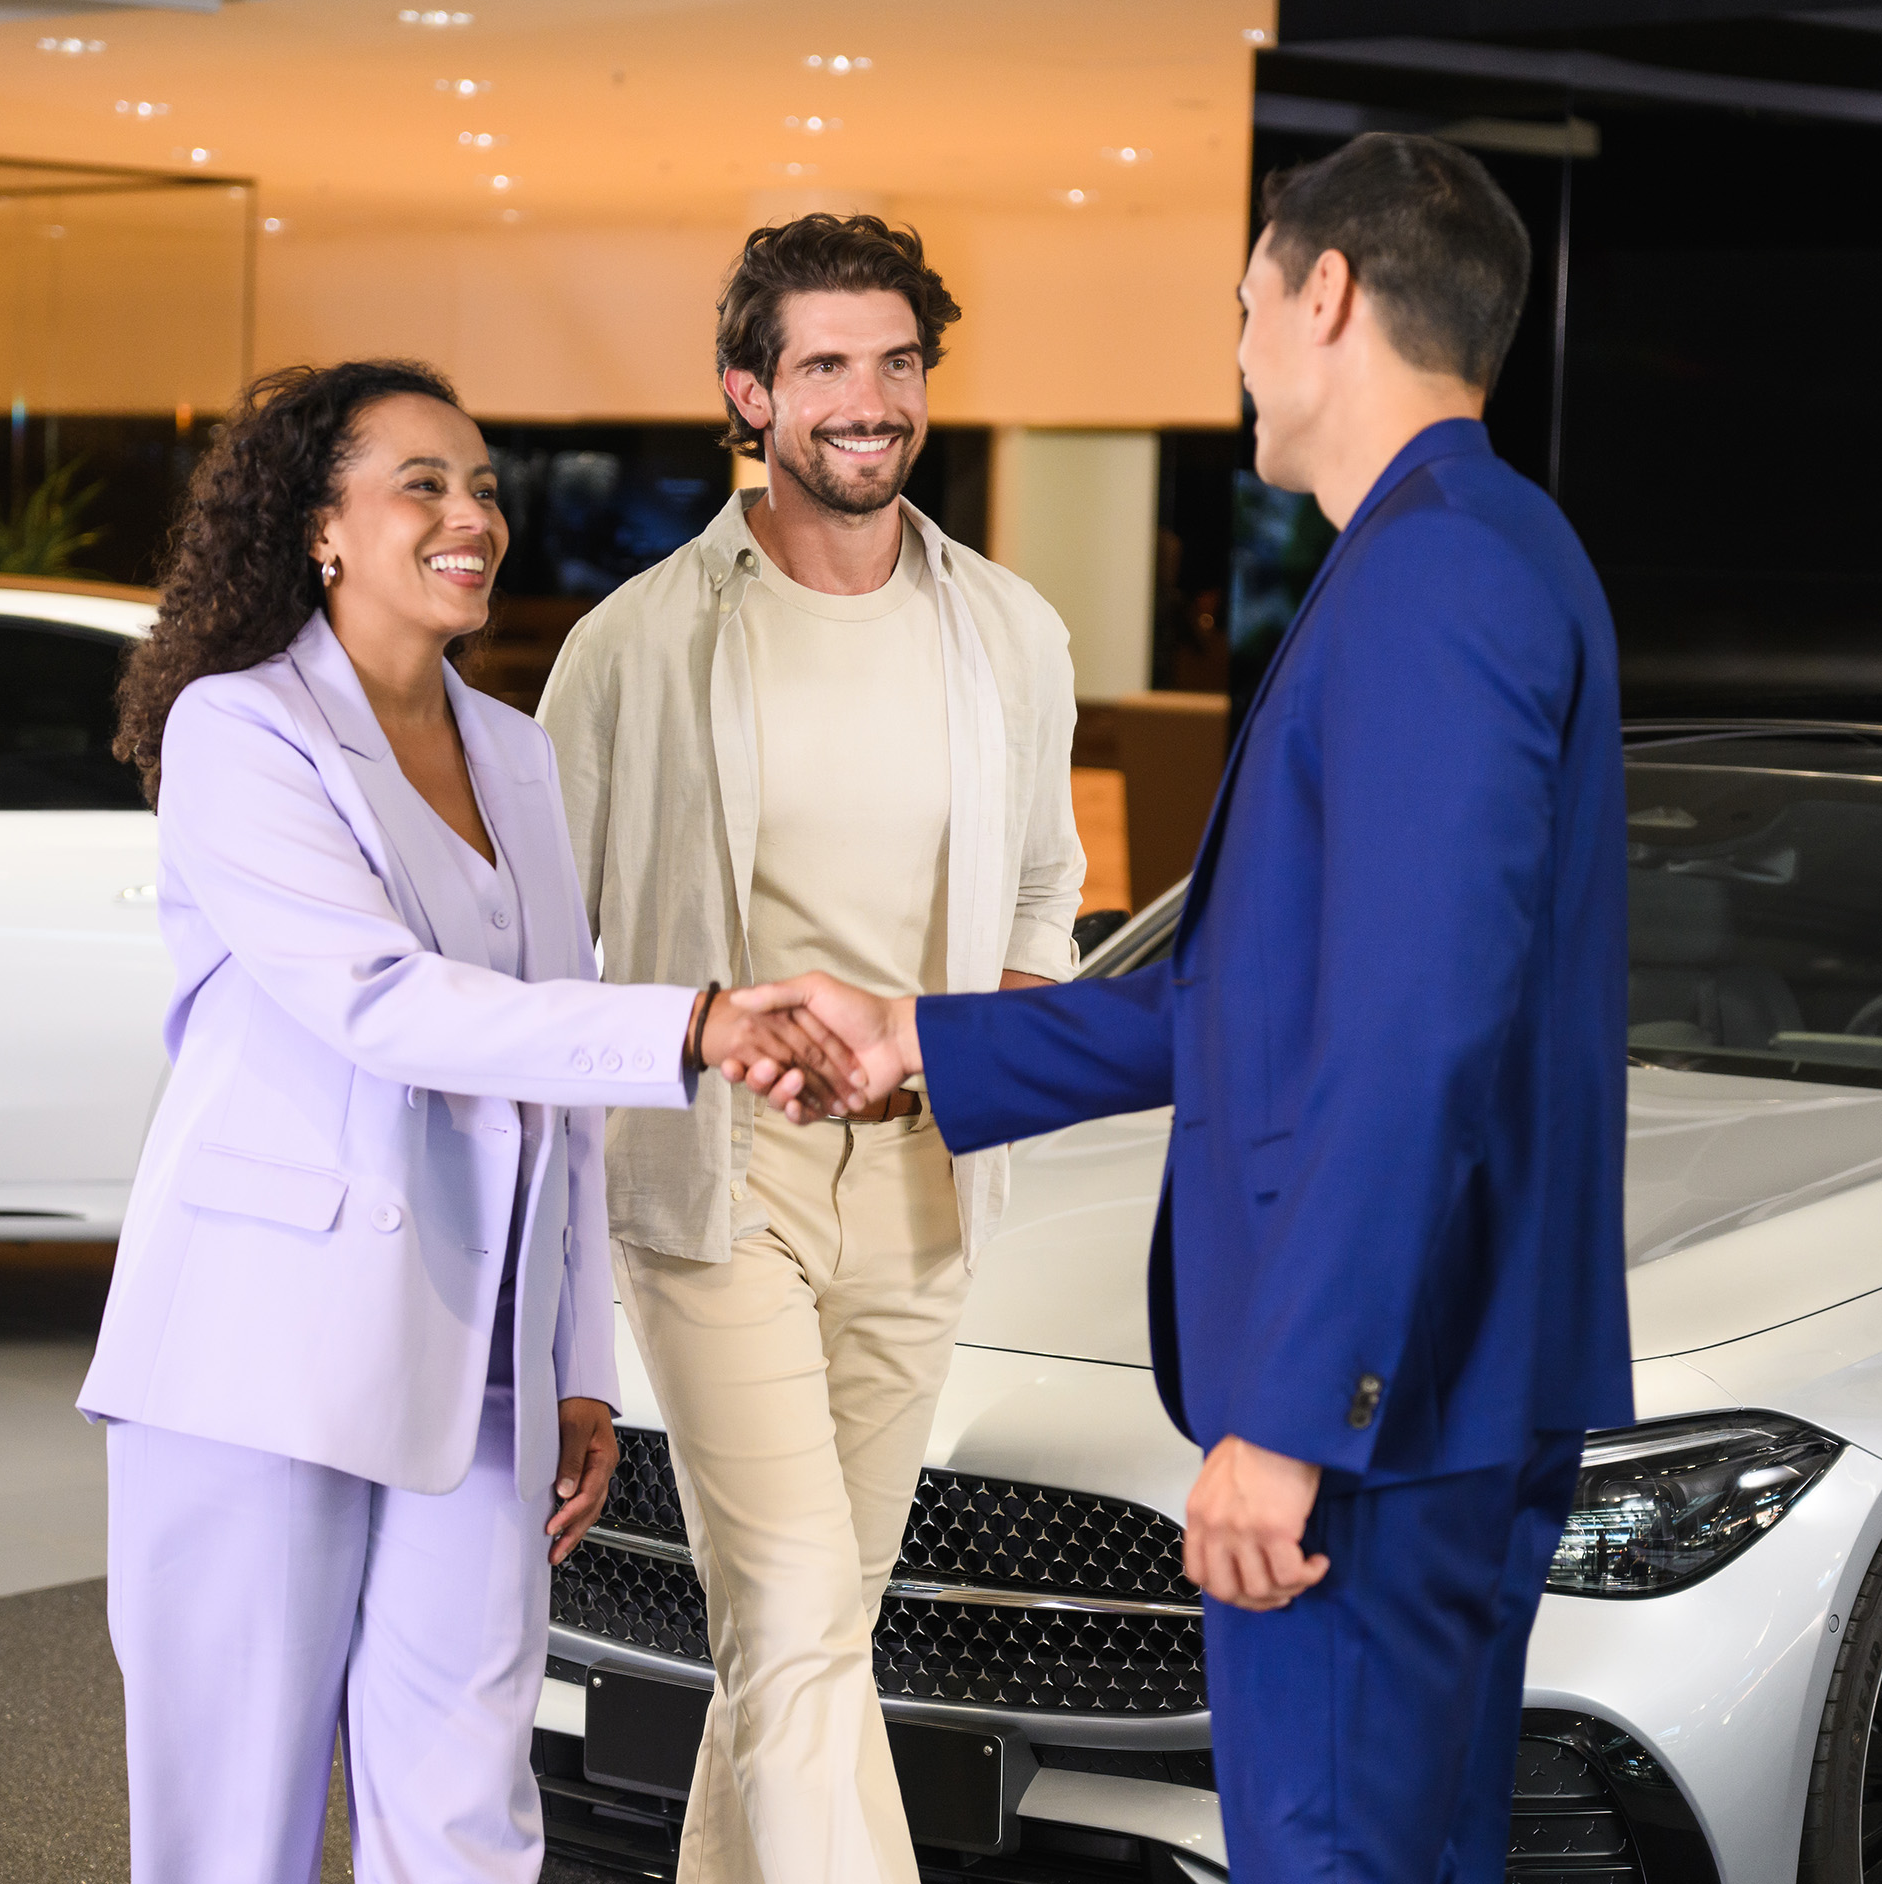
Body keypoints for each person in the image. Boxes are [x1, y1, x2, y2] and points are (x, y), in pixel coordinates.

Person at [734, 135, 1633, 1883]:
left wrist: (1294, 1415)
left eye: (1241, 306)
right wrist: (926, 1038)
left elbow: (1410, 1036)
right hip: (1440, 1406)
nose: (1232, 354)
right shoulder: (1483, 547)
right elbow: (1255, 1002)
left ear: (1326, 294)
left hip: (1387, 1426)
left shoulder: (1434, 578)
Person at [83, 360, 842, 1884]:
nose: (471, 516)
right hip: (260, 1354)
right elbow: (382, 1001)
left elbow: (550, 1090)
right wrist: (689, 1019)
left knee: (468, 1807)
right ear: (321, 529)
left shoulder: (515, 751)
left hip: (480, 1378)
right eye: (420, 484)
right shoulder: (240, 732)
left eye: (484, 484)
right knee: (237, 1822)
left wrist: (571, 1365)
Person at [536, 214, 1083, 1884]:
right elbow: (553, 957)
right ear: (748, 393)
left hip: (923, 1185)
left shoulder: (1008, 630)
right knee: (789, 1617)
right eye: (828, 364)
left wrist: (950, 1044)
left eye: (898, 362)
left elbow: (1047, 885)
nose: (869, 397)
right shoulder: (640, 640)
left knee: (813, 1635)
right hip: (719, 1185)